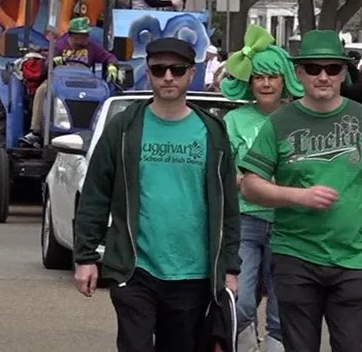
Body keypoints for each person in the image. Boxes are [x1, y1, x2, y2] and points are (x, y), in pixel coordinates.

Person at [239, 29, 362, 352]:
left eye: (332, 68)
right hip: (295, 256)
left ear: (343, 73)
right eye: (313, 68)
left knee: (354, 346)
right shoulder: (279, 122)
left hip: (352, 259)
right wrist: (298, 196)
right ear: (299, 73)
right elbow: (250, 185)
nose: (323, 76)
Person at [74, 38, 241, 352]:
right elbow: (96, 193)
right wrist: (85, 257)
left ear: (191, 73)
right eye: (159, 69)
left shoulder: (212, 131)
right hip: (135, 267)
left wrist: (230, 267)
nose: (168, 77)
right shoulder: (124, 128)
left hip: (193, 273)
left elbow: (228, 207)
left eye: (177, 69)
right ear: (148, 72)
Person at [221, 26, 303, 352]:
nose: (266, 83)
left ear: (284, 80)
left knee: (282, 311)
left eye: (272, 76)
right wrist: (248, 183)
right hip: (245, 221)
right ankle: (243, 343)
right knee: (240, 302)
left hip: (288, 223)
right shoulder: (234, 120)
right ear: (249, 82)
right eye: (258, 77)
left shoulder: (300, 118)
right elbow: (223, 170)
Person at [22, 17, 118, 148]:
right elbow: (47, 64)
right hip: (60, 79)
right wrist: (53, 61)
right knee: (42, 90)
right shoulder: (59, 45)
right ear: (72, 35)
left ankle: (100, 129)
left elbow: (109, 57)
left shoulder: (92, 46)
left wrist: (112, 65)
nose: (86, 37)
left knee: (105, 92)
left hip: (85, 79)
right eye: (83, 35)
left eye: (87, 34)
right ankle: (36, 131)